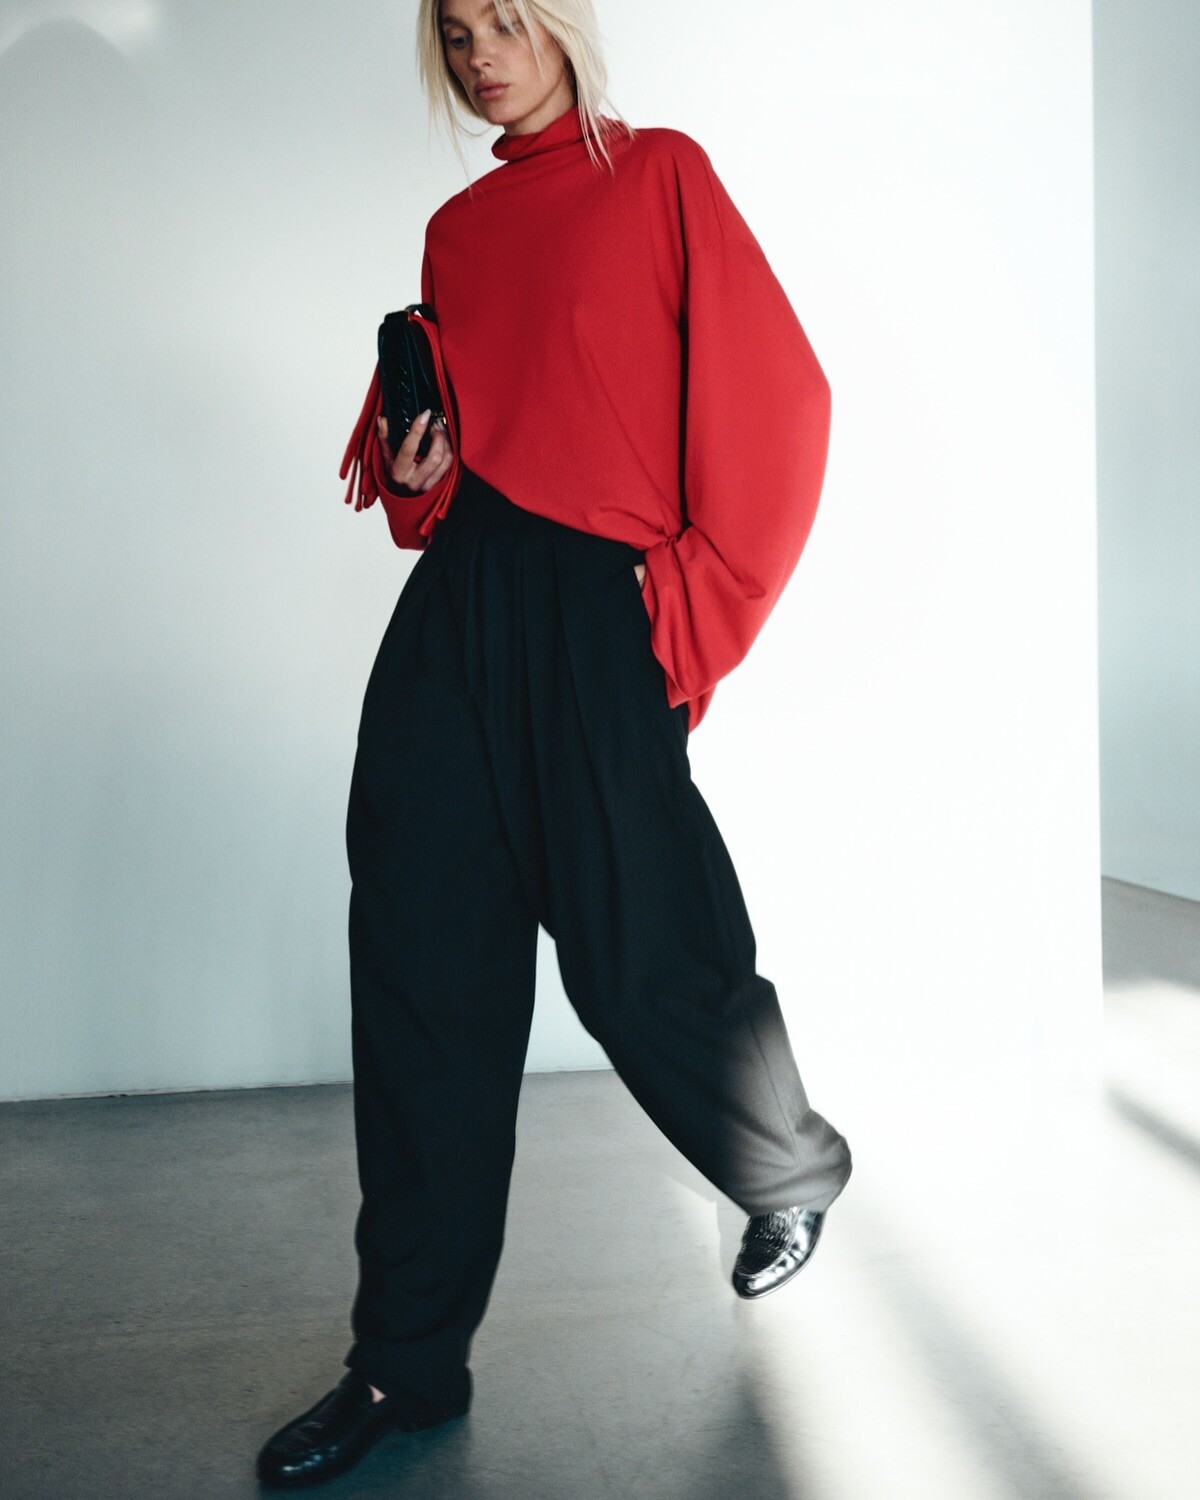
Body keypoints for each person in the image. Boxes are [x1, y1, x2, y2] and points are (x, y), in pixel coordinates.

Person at [255, 0, 852, 1487]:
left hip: (599, 608)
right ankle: (402, 1367)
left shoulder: (659, 175)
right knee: (421, 973)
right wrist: (420, 473)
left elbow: (784, 400)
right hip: (460, 611)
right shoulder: (457, 233)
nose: (480, 55)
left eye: (504, 21)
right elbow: (441, 486)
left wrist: (687, 606)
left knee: (640, 949)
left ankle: (782, 1165)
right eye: (457, 34)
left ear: (562, 25)